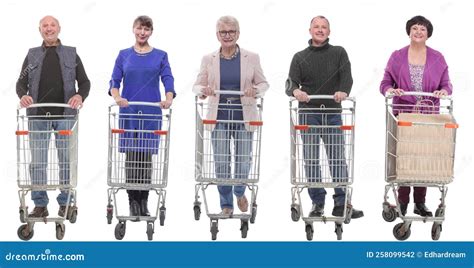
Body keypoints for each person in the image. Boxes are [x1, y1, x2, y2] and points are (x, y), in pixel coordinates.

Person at [286, 16, 363, 219]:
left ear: (329, 31)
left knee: (337, 158)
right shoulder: (299, 56)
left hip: (332, 112)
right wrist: (296, 92)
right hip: (308, 112)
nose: (320, 30)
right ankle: (317, 202)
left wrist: (343, 91)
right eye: (316, 27)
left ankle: (341, 202)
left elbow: (347, 77)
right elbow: (290, 83)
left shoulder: (338, 52)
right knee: (311, 158)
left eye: (324, 27)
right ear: (309, 31)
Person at [193, 16, 269, 215]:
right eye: (223, 32)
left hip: (244, 115)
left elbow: (264, 83)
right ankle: (226, 204)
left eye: (231, 32)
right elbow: (197, 85)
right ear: (217, 35)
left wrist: (255, 89)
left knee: (243, 160)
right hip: (218, 117)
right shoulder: (208, 59)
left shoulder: (251, 57)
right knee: (221, 161)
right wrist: (204, 90)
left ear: (238, 34)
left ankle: (239, 191)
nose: (227, 36)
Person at [16, 16, 90, 218]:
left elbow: (84, 82)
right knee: (38, 162)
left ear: (59, 28)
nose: (49, 29)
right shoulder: (32, 55)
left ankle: (66, 202)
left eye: (52, 25)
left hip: (65, 115)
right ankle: (40, 205)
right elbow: (20, 83)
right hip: (38, 116)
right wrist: (23, 95)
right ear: (40, 30)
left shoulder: (71, 54)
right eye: (44, 26)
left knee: (66, 160)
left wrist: (79, 95)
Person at [379, 15, 452, 217]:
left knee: (423, 157)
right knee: (405, 157)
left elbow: (447, 84)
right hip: (404, 113)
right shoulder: (397, 56)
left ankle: (420, 203)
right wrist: (390, 91)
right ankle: (403, 202)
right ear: (409, 32)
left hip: (428, 115)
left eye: (422, 29)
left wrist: (443, 92)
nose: (418, 32)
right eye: (414, 28)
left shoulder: (438, 57)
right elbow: (385, 83)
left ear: (428, 34)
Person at [109, 15, 175, 217]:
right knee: (131, 157)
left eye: (146, 29)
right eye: (139, 28)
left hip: (150, 111)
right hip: (129, 110)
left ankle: (143, 201)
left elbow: (168, 78)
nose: (142, 33)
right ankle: (132, 201)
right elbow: (114, 81)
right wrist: (118, 97)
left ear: (151, 32)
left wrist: (169, 97)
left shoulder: (161, 55)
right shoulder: (123, 55)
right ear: (133, 29)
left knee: (145, 158)